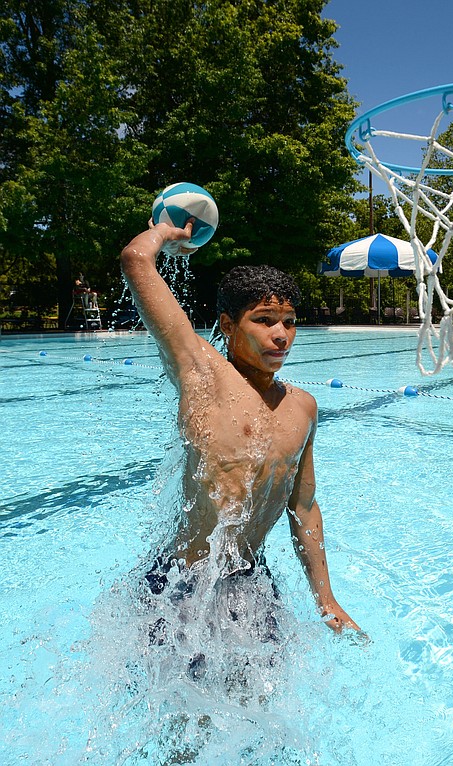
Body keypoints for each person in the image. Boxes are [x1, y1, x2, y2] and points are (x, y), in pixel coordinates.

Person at [120, 218, 360, 635]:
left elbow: (302, 508)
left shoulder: (302, 407)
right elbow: (136, 260)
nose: (281, 334)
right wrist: (165, 234)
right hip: (181, 584)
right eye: (264, 320)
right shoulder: (202, 375)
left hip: (249, 586)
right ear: (228, 326)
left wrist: (327, 600)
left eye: (288, 321)